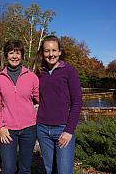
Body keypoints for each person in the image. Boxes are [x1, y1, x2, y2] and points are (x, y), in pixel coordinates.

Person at [34, 35, 82, 174]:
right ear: (42, 53)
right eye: (47, 51)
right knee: (50, 170)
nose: (51, 54)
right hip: (42, 129)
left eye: (54, 50)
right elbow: (35, 96)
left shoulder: (69, 71)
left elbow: (77, 102)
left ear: (60, 52)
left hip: (63, 129)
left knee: (64, 171)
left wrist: (69, 130)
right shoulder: (39, 72)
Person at [0, 39, 39, 174]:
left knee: (25, 169)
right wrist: (0, 127)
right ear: (6, 55)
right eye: (11, 53)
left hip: (29, 129)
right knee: (9, 169)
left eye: (17, 53)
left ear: (22, 56)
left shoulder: (32, 77)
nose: (14, 56)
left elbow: (40, 99)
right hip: (8, 130)